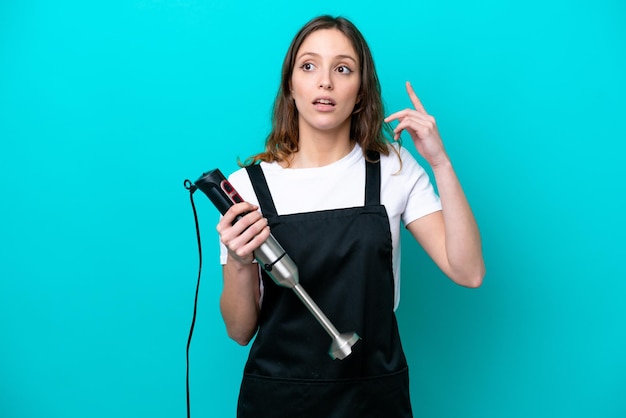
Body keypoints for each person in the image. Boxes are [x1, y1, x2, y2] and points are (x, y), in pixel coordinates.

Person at [216, 15, 485, 418]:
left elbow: (469, 272)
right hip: (278, 399)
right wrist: (239, 260)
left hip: (372, 398)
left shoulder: (393, 168)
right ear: (291, 85)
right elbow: (239, 332)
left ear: (360, 91)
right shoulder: (248, 187)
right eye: (309, 66)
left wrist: (440, 162)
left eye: (343, 69)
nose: (325, 82)